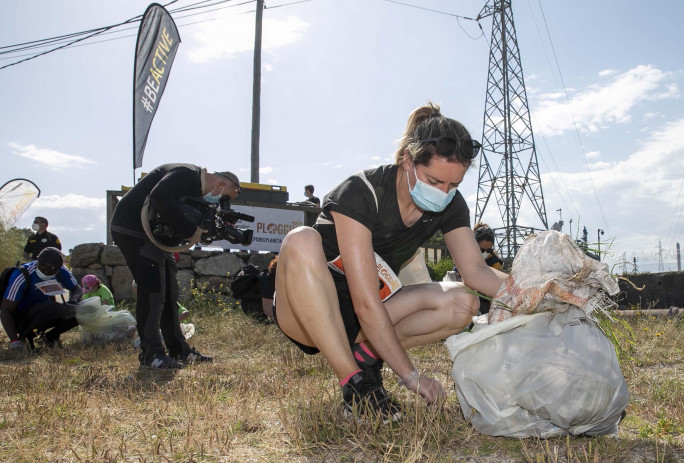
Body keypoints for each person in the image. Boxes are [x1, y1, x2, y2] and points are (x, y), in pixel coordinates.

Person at [273, 102, 511, 423]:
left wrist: (532, 292)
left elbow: (476, 270)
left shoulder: (450, 205)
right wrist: (412, 377)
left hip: (367, 318)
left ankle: (367, 355)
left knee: (462, 301)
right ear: (407, 161)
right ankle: (354, 383)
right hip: (310, 316)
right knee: (301, 238)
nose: (443, 193)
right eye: (434, 180)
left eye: (453, 185)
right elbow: (365, 304)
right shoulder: (363, 191)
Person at [110, 163, 240, 369]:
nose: (220, 201)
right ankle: (151, 354)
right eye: (225, 197)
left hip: (151, 235)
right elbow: (159, 197)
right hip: (132, 228)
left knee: (168, 292)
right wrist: (190, 230)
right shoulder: (186, 174)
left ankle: (179, 350)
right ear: (222, 184)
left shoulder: (195, 188)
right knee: (153, 291)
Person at [1, 247, 81, 350]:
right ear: (38, 262)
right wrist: (14, 340)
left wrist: (73, 302)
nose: (46, 273)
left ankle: (49, 338)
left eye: (51, 270)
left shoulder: (61, 270)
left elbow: (76, 288)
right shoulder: (21, 275)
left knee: (82, 309)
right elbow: (6, 309)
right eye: (43, 268)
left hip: (45, 312)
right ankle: (24, 338)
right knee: (55, 308)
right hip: (22, 319)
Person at [472, 223, 504, 315]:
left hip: (485, 306)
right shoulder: (467, 260)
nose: (485, 253)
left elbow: (498, 290)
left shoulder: (495, 263)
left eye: (488, 250)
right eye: (481, 250)